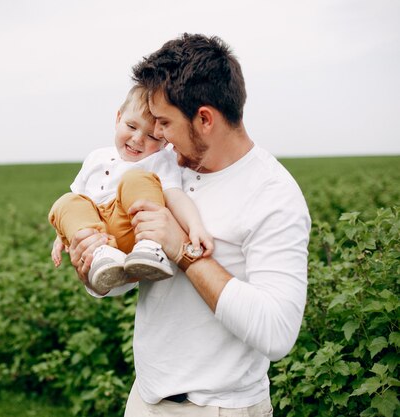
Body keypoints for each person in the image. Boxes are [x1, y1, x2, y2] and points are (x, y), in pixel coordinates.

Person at [69, 34, 311, 416]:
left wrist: (183, 250)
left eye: (164, 123)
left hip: (218, 408)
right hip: (146, 397)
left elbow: (277, 332)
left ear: (204, 119)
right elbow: (133, 279)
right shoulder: (163, 171)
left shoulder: (272, 194)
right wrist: (94, 268)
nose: (157, 136)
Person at [49, 85, 213, 295]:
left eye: (152, 137)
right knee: (65, 201)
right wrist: (62, 236)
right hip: (98, 235)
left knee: (136, 179)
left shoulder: (159, 160)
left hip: (131, 226)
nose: (137, 139)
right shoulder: (95, 158)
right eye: (131, 126)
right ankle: (103, 258)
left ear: (165, 140)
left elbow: (175, 196)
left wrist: (195, 226)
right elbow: (76, 204)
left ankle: (148, 248)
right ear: (118, 118)